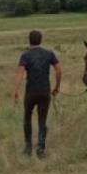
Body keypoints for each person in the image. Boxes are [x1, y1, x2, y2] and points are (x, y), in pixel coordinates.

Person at [12, 30, 62, 158]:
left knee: (27, 118)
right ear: (41, 40)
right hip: (45, 91)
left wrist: (16, 91)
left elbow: (19, 73)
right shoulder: (49, 53)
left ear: (29, 40)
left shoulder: (25, 55)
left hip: (31, 92)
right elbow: (58, 69)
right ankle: (41, 148)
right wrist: (57, 86)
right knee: (42, 119)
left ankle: (28, 148)